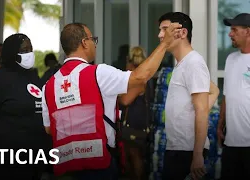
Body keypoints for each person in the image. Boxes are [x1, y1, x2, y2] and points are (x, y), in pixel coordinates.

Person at [42, 22, 182, 179]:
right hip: (98, 165)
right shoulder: (98, 74)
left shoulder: (49, 85)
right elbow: (140, 77)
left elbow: (49, 129)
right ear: (84, 43)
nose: (95, 44)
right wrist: (165, 44)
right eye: (92, 40)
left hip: (66, 166)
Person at [0, 33, 52, 179]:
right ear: (12, 53)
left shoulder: (33, 77)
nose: (29, 54)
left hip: (36, 156)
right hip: (9, 158)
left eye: (30, 49)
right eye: (24, 50)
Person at [157, 12, 219, 180]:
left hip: (187, 151)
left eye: (165, 29)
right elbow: (214, 91)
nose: (160, 35)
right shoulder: (183, 64)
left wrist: (197, 155)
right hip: (177, 148)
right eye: (160, 30)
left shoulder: (194, 63)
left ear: (183, 33)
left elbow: (202, 110)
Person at [217, 13, 250, 180]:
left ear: (248, 32)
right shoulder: (231, 59)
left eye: (234, 30)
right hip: (231, 143)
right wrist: (220, 124)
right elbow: (227, 95)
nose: (230, 34)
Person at [121, 46, 154, 180]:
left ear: (130, 62)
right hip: (138, 126)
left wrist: (116, 92)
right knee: (134, 158)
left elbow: (125, 100)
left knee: (134, 158)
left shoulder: (138, 81)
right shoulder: (144, 79)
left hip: (134, 128)